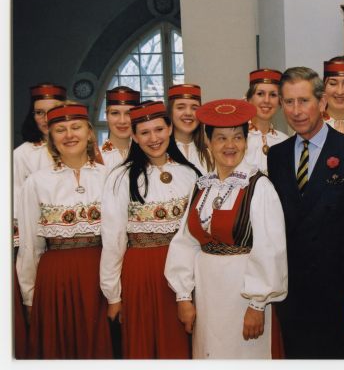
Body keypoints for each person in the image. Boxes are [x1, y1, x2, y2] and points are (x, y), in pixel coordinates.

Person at [267, 66, 344, 358]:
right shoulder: (277, 156)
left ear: (322, 102)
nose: (296, 111)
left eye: (304, 101)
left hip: (342, 296)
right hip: (294, 298)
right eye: (289, 102)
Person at [165, 99, 287, 359]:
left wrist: (257, 305)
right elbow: (185, 242)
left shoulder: (259, 186)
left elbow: (270, 250)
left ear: (246, 142)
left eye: (237, 138)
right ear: (208, 143)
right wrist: (183, 296)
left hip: (242, 297)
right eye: (221, 138)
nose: (230, 145)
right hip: (207, 295)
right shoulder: (201, 186)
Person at [100, 101, 200, 358]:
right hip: (142, 272)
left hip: (187, 272)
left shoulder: (190, 174)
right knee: (146, 344)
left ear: (170, 129)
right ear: (134, 136)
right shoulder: (120, 178)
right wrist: (113, 295)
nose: (153, 138)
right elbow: (113, 239)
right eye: (144, 132)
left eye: (159, 129)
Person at [16, 103, 112, 359]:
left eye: (76, 127)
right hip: (55, 276)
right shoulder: (36, 182)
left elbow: (119, 237)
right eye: (60, 130)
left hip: (100, 273)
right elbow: (30, 245)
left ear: (89, 133)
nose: (69, 135)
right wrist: (29, 296)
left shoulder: (110, 177)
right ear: (51, 137)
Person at [13, 82, 66, 359]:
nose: (46, 118)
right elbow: (18, 206)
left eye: (53, 111)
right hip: (36, 242)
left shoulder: (76, 145)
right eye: (39, 112)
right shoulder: (23, 154)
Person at [243, 69, 288, 174]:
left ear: (280, 102)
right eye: (260, 94)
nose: (267, 100)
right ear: (249, 99)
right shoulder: (238, 139)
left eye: (273, 95)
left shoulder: (285, 141)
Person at [168, 83, 213, 174]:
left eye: (194, 108)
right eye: (180, 107)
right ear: (170, 112)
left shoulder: (210, 153)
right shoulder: (159, 152)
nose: (188, 113)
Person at [100, 86, 140, 170]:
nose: (122, 121)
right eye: (115, 113)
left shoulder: (148, 155)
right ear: (107, 116)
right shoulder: (94, 157)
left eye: (129, 114)